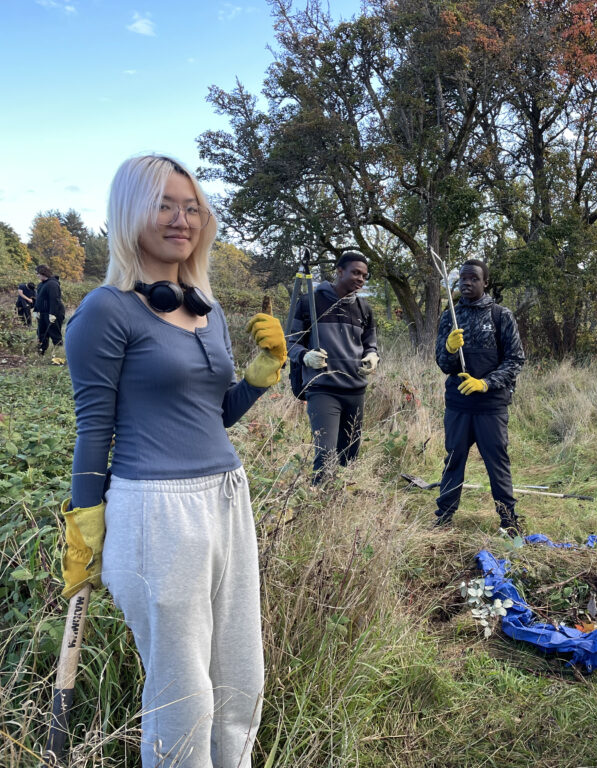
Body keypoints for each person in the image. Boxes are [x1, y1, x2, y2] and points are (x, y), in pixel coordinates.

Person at [63, 154, 286, 768]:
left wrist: (259, 380)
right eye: (164, 204)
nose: (180, 218)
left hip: (226, 496)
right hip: (156, 513)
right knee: (182, 688)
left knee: (240, 670)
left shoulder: (206, 309)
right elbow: (94, 429)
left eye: (191, 207)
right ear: (131, 211)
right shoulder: (104, 312)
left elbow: (209, 417)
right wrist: (85, 521)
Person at [434, 259, 526, 533]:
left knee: (497, 464)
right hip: (459, 405)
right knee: (453, 460)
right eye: (463, 278)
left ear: (485, 282)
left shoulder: (501, 315)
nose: (467, 282)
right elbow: (442, 363)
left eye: (474, 278)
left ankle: (509, 523)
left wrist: (485, 383)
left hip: (491, 406)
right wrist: (449, 350)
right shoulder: (449, 316)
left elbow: (515, 360)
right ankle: (443, 519)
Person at [287, 250, 379, 483]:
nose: (360, 279)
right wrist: (306, 356)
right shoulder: (310, 302)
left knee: (349, 457)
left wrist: (372, 356)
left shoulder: (364, 308)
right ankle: (320, 508)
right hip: (322, 388)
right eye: (355, 273)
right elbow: (290, 343)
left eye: (364, 275)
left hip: (355, 389)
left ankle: (341, 510)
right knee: (326, 455)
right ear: (340, 271)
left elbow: (370, 343)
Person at [34, 265, 65, 354]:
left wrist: (53, 314)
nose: (37, 275)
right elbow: (38, 298)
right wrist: (36, 310)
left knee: (55, 333)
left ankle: (59, 353)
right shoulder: (41, 285)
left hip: (54, 312)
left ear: (43, 273)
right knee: (41, 333)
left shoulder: (52, 284)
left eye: (38, 273)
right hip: (43, 313)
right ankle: (41, 351)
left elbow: (54, 299)